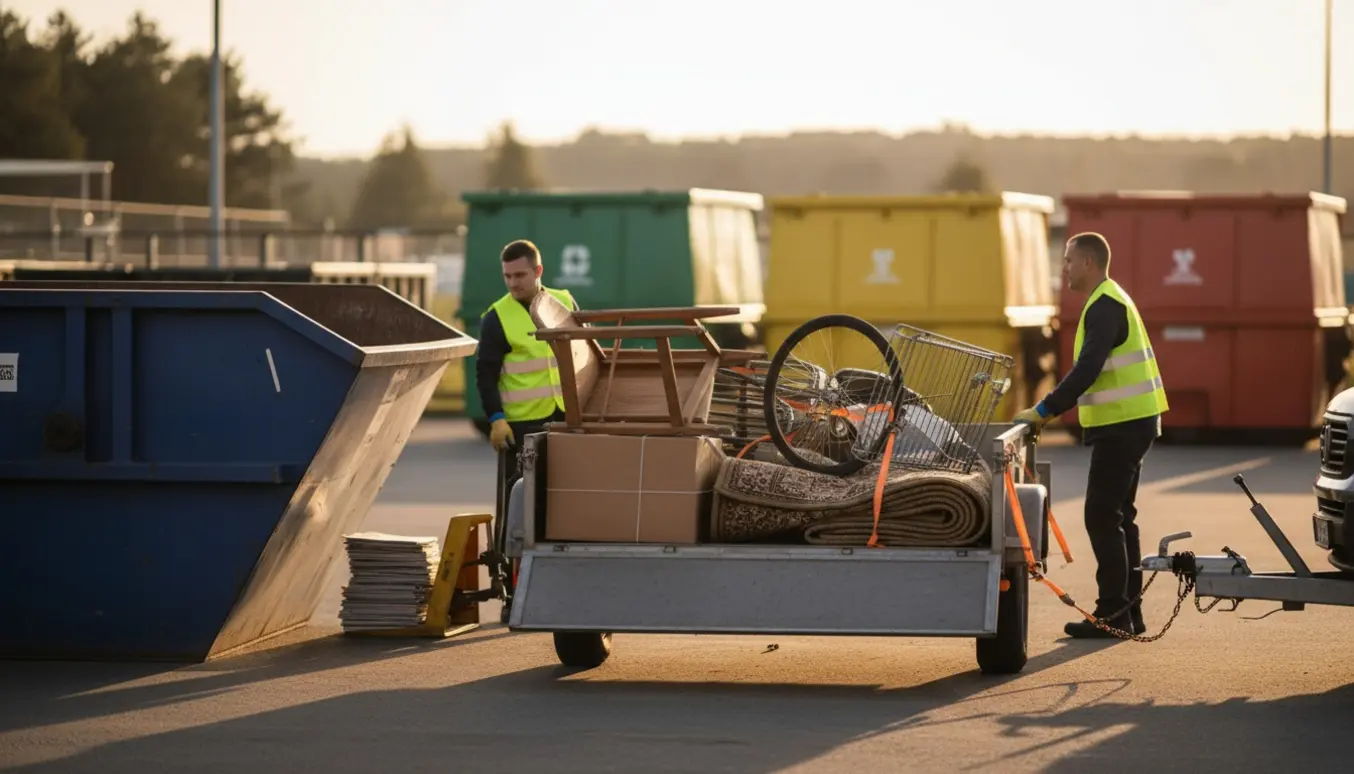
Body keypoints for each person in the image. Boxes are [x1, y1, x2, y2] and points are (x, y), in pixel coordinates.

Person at [1013, 231, 1169, 639]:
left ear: (1088, 263)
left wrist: (1044, 410)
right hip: (1131, 421)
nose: (1062, 268)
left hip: (1123, 425)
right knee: (1120, 517)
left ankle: (1113, 613)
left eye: (1067, 260)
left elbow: (1088, 369)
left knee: (1100, 514)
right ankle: (1128, 615)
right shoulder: (1109, 301)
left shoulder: (1104, 306)